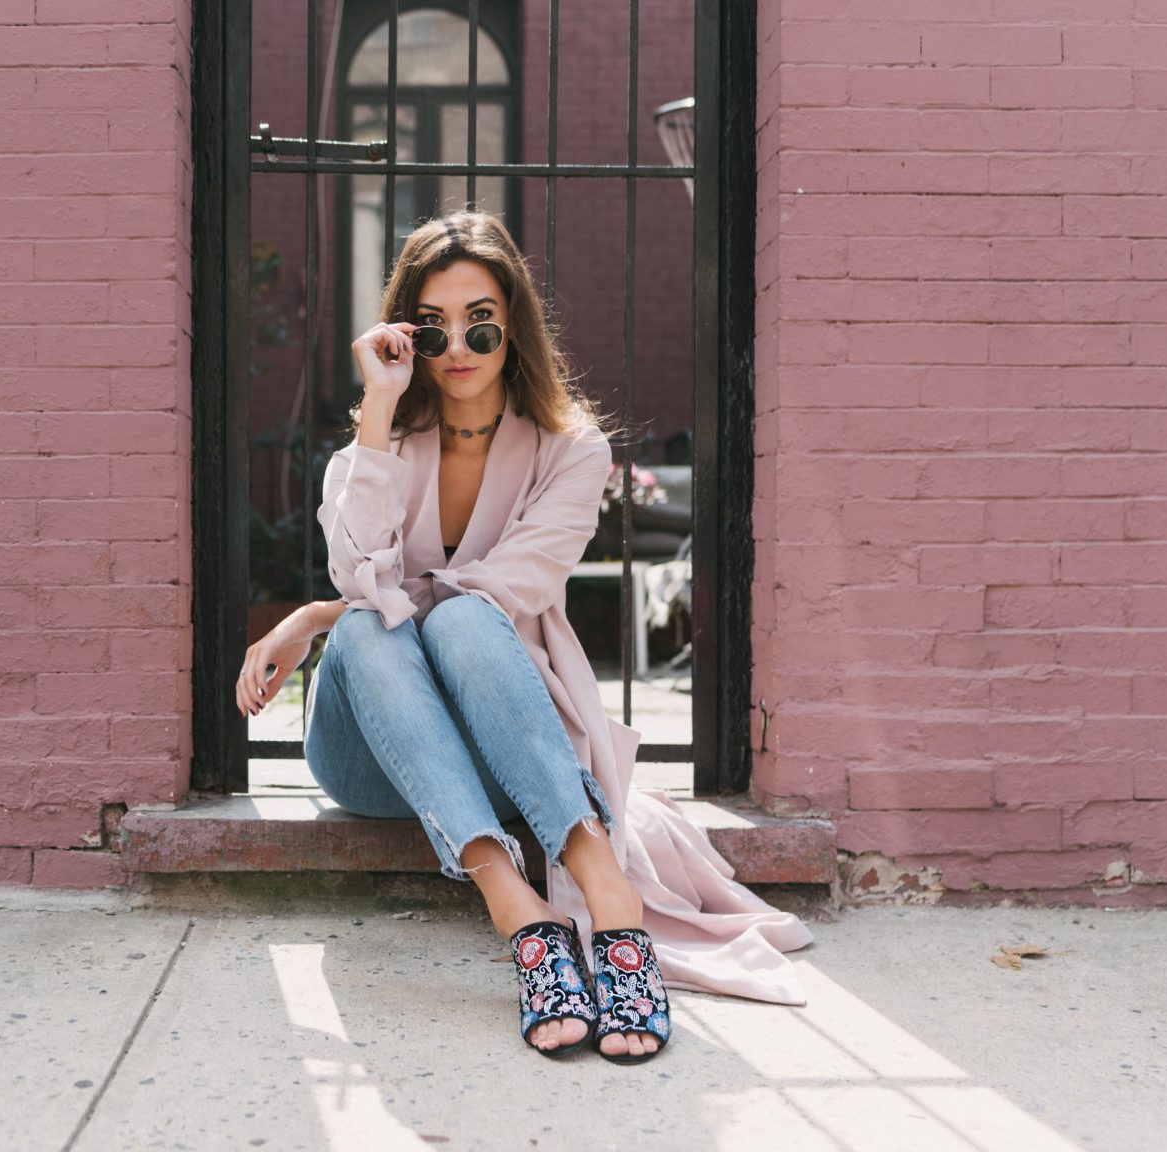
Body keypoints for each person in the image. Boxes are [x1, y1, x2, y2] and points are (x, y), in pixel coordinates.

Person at [236, 210, 812, 1063]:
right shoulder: (376, 443)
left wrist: (315, 616)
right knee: (365, 635)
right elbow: (360, 581)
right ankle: (525, 908)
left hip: (508, 756)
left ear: (515, 328)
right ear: (405, 335)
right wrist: (379, 415)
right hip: (374, 758)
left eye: (482, 322)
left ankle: (590, 907)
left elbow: (510, 594)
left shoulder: (572, 452)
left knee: (456, 615)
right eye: (433, 326)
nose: (459, 344)